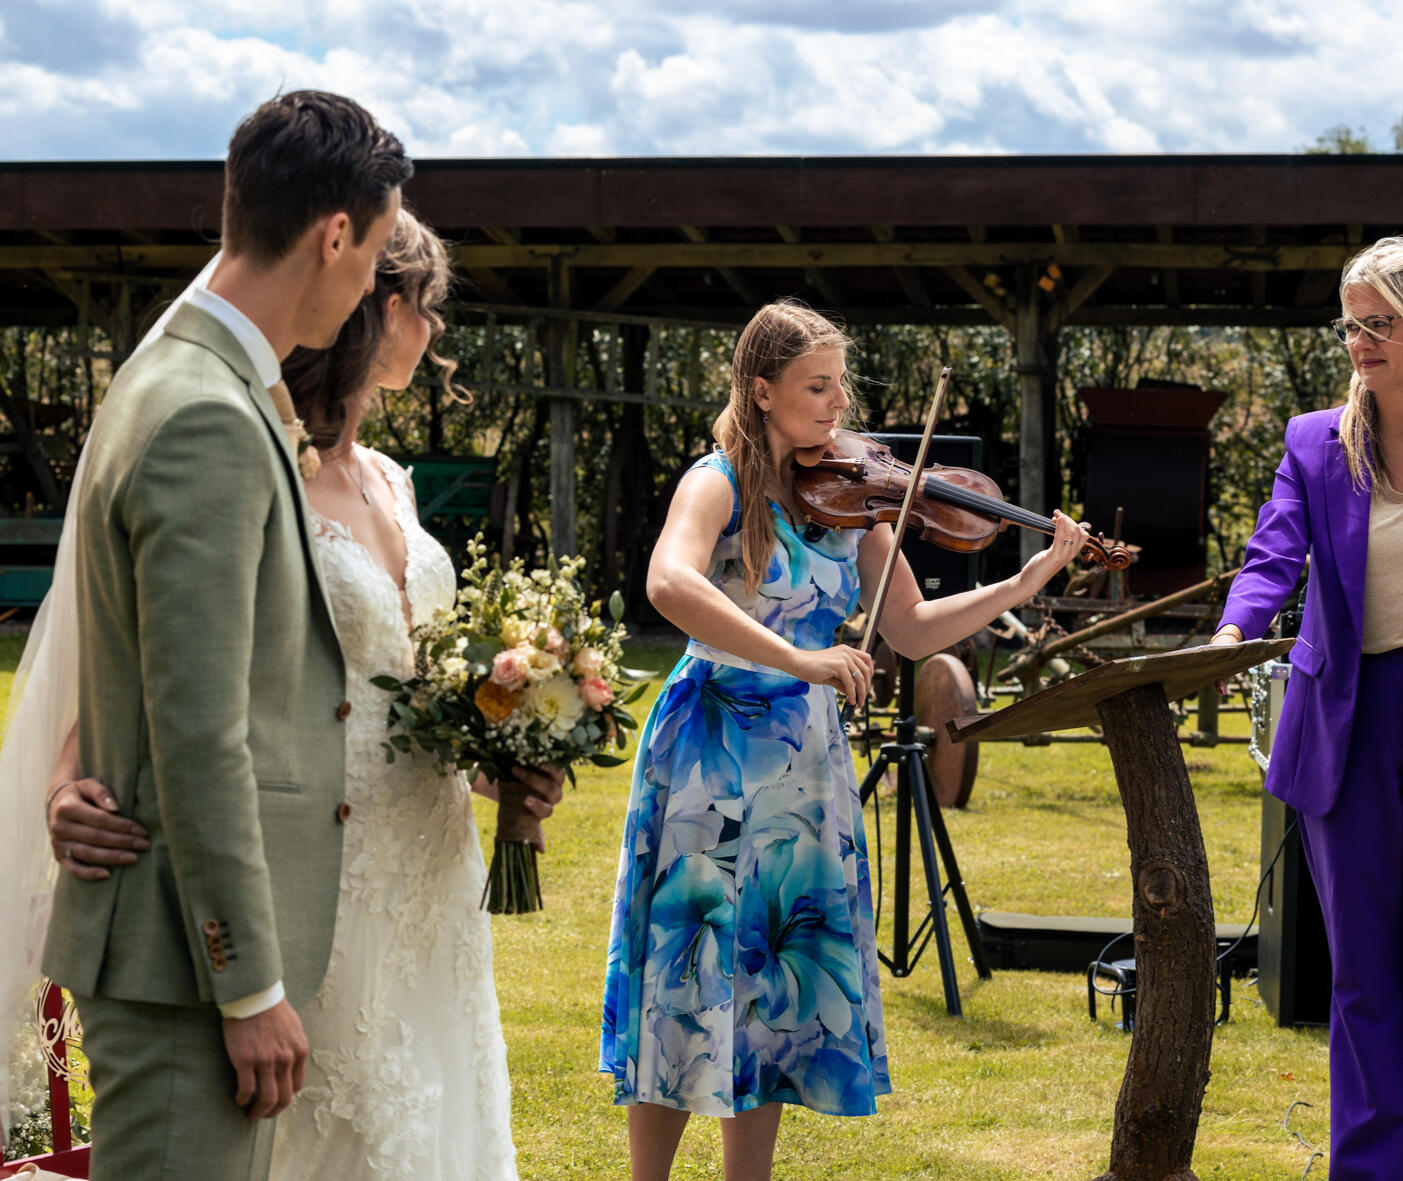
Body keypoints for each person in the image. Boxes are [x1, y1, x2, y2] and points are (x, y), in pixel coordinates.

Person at [41, 211, 565, 1178]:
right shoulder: (255, 458)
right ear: (378, 301)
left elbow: (405, 694)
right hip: (315, 868)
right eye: (427, 305)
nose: (437, 331)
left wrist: (506, 746)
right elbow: (166, 662)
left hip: (430, 868)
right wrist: (72, 776)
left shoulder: (395, 483)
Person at [14, 90, 412, 1181]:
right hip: (185, 966)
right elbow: (198, 728)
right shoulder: (208, 414)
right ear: (335, 233)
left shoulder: (185, 379)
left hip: (173, 950)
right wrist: (247, 985)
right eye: (376, 253)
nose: (371, 287)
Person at [599, 299, 1086, 1181]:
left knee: (777, 977)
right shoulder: (717, 482)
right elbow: (668, 583)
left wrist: (1024, 577)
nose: (836, 404)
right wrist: (796, 654)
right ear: (762, 390)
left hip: (802, 765)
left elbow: (908, 627)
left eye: (838, 384)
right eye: (814, 386)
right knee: (691, 962)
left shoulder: (853, 501)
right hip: (710, 743)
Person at [1211, 236, 1403, 1180]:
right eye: (1351, 324)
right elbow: (1270, 558)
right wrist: (1229, 634)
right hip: (1345, 721)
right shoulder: (1310, 440)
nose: (1361, 341)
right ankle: (1368, 1166)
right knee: (1363, 968)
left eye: (1382, 323)